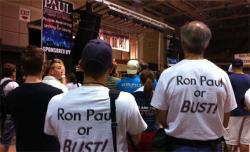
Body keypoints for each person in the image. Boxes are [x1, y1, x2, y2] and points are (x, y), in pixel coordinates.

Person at [44, 39, 147, 152]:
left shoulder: (56, 102)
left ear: (81, 65)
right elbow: (136, 139)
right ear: (111, 68)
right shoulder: (125, 101)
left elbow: (56, 135)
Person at [151, 21, 237, 152]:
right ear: (207, 44)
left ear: (183, 43)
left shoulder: (168, 74)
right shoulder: (222, 75)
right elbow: (225, 120)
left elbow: (162, 117)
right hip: (212, 146)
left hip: (177, 146)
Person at [6, 46, 62, 151]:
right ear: (43, 67)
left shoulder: (11, 96)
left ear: (22, 67)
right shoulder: (57, 94)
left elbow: (10, 127)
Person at [225, 59, 250, 152]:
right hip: (248, 112)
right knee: (245, 141)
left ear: (232, 67)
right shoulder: (249, 78)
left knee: (230, 141)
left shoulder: (228, 78)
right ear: (242, 67)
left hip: (233, 113)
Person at [133, 69, 157, 151]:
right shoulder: (157, 95)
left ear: (140, 80)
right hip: (153, 134)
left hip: (137, 135)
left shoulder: (134, 95)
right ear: (154, 80)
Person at [0, 63, 19, 152]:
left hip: (4, 113)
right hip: (12, 115)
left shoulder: (2, 82)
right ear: (12, 72)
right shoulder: (13, 84)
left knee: (5, 140)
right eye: (15, 71)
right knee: (6, 142)